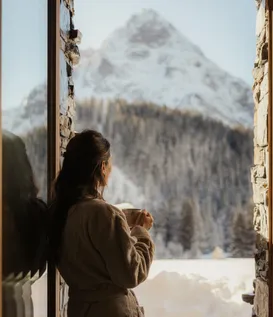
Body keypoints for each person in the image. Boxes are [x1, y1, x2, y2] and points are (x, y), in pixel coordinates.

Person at [49, 130, 155, 317]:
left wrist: (121, 220)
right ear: (102, 167)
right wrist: (141, 232)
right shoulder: (103, 214)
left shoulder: (62, 210)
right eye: (110, 163)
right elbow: (131, 273)